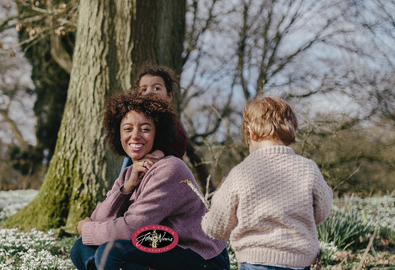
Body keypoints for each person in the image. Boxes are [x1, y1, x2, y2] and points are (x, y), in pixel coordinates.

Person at [70, 93, 229, 270]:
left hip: (202, 258)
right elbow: (99, 219)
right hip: (162, 248)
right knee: (81, 248)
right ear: (118, 134)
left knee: (112, 253)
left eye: (145, 129)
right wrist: (127, 188)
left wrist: (87, 229)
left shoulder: (170, 169)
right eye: (128, 129)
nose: (135, 136)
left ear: (157, 133)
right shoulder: (129, 173)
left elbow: (132, 229)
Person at [201, 96, 333, 270]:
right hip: (298, 262)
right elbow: (322, 211)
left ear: (250, 131)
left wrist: (207, 221)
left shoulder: (241, 173)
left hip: (255, 261)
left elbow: (218, 226)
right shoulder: (308, 168)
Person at [119, 65, 187, 174]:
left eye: (156, 88)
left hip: (157, 166)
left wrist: (159, 153)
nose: (149, 92)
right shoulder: (135, 115)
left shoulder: (168, 119)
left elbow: (180, 143)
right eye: (144, 89)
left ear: (169, 96)